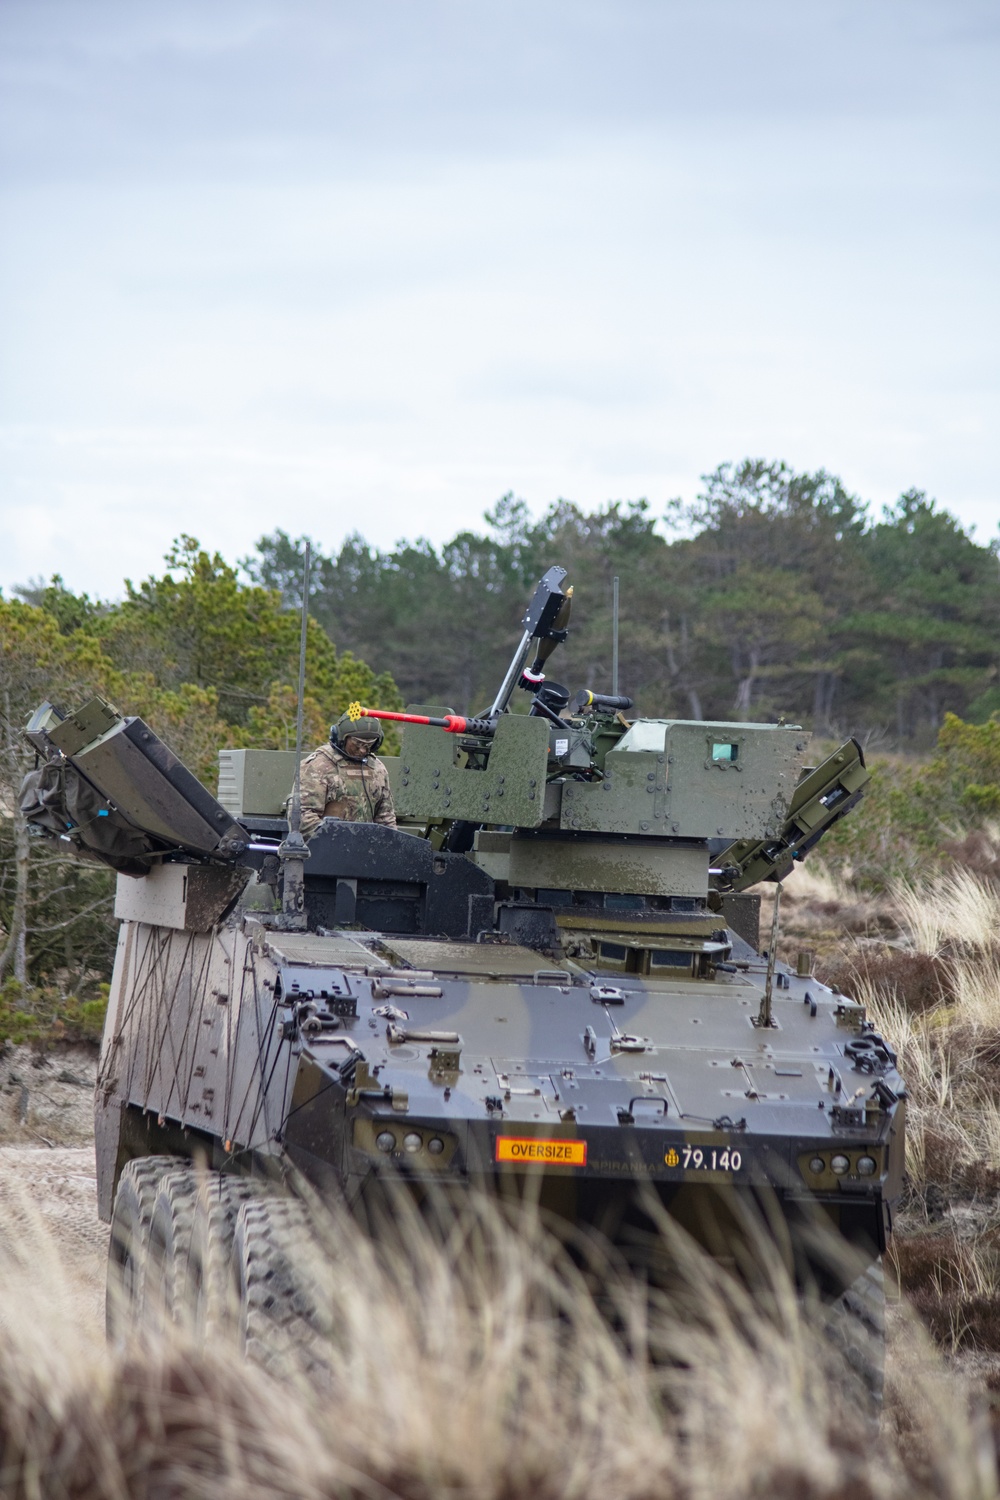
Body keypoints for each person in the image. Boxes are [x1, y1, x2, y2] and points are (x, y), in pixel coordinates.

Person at [294, 713, 396, 837]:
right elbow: (303, 816)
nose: (363, 750)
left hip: (366, 849)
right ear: (341, 737)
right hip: (326, 847)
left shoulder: (377, 769)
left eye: (369, 745)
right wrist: (337, 840)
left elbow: (385, 818)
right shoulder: (318, 766)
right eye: (357, 744)